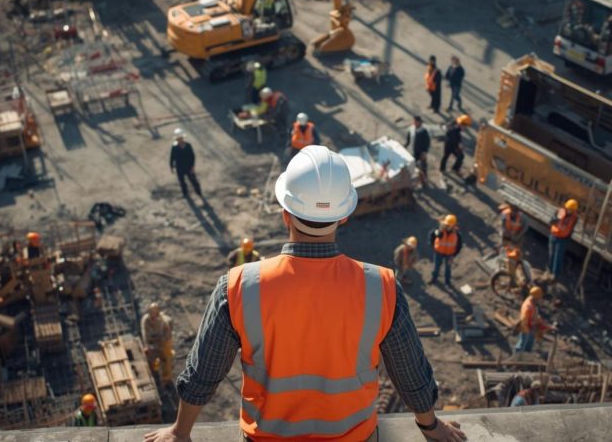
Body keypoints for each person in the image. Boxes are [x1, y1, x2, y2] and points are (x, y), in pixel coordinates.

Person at [144, 145, 465, 442]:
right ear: (344, 216)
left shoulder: (238, 286)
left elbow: (204, 371)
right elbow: (409, 371)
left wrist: (179, 431)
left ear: (285, 212)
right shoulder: (382, 286)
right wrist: (430, 425)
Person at [142, 302, 175, 384]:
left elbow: (166, 335)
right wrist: (147, 345)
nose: (153, 315)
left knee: (165, 360)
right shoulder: (146, 320)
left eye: (155, 313)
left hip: (163, 341)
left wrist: (161, 344)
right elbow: (145, 334)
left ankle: (166, 379)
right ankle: (155, 371)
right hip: (153, 341)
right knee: (150, 356)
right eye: (151, 312)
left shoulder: (163, 321)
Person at [515, 286, 553, 352]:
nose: (539, 299)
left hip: (531, 327)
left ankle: (525, 357)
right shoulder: (527, 306)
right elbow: (524, 320)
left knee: (528, 345)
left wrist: (546, 326)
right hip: (526, 328)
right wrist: (526, 330)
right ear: (535, 297)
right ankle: (516, 359)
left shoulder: (532, 303)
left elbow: (535, 317)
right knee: (521, 345)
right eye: (538, 298)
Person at [428, 215, 463, 286]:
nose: (447, 226)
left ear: (453, 226)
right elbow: (432, 235)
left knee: (448, 269)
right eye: (446, 224)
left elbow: (459, 246)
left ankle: (447, 282)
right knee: (436, 267)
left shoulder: (457, 235)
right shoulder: (439, 231)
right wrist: (433, 246)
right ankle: (434, 279)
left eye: (449, 225)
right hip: (438, 253)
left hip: (449, 255)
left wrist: (453, 255)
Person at [548, 199, 578, 278]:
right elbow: (551, 222)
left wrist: (568, 237)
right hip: (554, 235)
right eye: (568, 209)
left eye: (571, 210)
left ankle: (555, 274)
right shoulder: (560, 212)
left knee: (559, 256)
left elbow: (571, 228)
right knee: (552, 254)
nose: (569, 211)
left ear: (574, 210)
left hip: (563, 239)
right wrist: (557, 218)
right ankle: (549, 270)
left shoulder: (575, 217)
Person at [169, 128, 203, 199]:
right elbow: (172, 157)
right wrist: (171, 166)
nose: (179, 140)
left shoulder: (188, 146)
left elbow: (192, 156)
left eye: (180, 138)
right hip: (179, 168)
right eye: (178, 139)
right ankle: (185, 193)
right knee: (182, 182)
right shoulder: (174, 147)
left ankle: (198, 192)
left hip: (188, 167)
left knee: (193, 180)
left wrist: (193, 166)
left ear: (183, 138)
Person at [405, 115, 431, 187]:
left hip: (421, 152)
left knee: (423, 167)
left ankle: (424, 181)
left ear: (419, 122)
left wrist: (425, 152)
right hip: (413, 151)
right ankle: (414, 181)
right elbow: (408, 139)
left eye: (416, 122)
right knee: (413, 167)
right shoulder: (411, 129)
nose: (414, 123)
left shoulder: (423, 131)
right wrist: (405, 146)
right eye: (414, 121)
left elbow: (427, 142)